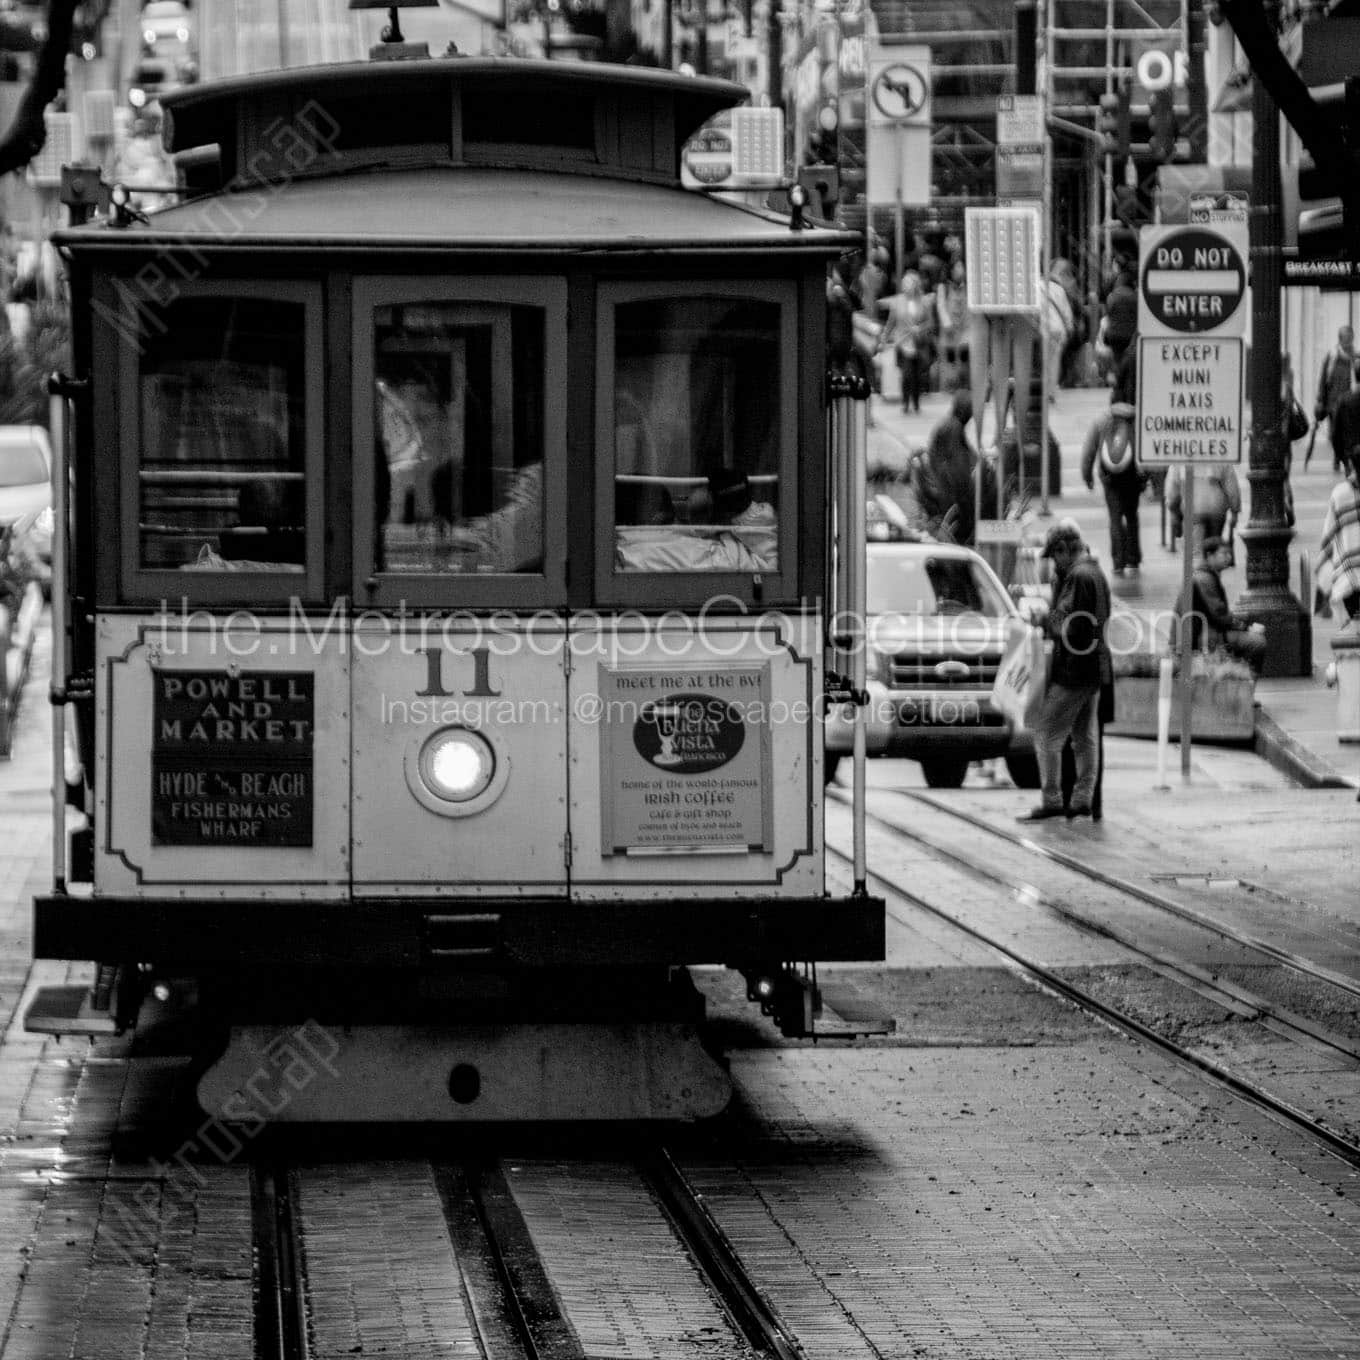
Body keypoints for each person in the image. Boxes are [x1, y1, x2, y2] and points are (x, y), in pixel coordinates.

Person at [1019, 522, 1112, 821]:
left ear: (1063, 551)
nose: (1052, 564)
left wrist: (1046, 618)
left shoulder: (1077, 577)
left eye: (1053, 556)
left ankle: (1053, 800)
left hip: (1074, 669)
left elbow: (1070, 624)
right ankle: (1083, 798)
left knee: (1046, 733)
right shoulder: (1095, 573)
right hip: (1095, 667)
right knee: (1084, 736)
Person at [1174, 534, 1267, 675]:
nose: (1228, 557)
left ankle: (1238, 679)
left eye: (1229, 553)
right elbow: (1219, 614)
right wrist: (1246, 628)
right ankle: (1245, 684)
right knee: (1257, 642)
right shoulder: (1204, 579)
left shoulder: (1205, 575)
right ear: (1210, 555)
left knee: (1251, 640)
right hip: (1201, 637)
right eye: (1223, 554)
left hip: (1202, 633)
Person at [1081, 400, 1144, 577]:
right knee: (1132, 516)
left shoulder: (1101, 420)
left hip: (1110, 479)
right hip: (1133, 477)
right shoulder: (1136, 418)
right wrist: (1152, 479)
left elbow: (1088, 451)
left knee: (1115, 518)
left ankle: (1118, 562)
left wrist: (1087, 477)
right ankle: (1133, 557)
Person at [912, 392, 979, 543]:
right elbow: (959, 464)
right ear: (963, 411)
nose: (972, 416)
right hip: (945, 486)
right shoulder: (952, 427)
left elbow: (967, 452)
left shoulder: (952, 424)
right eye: (971, 411)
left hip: (943, 481)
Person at [879, 270, 936, 413]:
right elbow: (890, 323)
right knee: (907, 374)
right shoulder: (897, 301)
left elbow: (931, 323)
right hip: (903, 343)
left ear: (915, 285)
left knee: (917, 375)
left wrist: (920, 328)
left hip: (919, 343)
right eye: (904, 283)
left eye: (908, 283)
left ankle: (916, 402)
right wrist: (883, 339)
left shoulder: (923, 302)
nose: (905, 286)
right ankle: (905, 402)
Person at [1164, 461, 1240, 558]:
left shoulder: (1180, 456)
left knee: (1197, 553)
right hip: (1217, 509)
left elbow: (1172, 489)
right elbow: (1232, 487)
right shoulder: (1220, 455)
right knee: (1214, 551)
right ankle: (1211, 567)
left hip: (1192, 509)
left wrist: (1173, 511)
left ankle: (1200, 569)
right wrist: (1235, 511)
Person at [1318, 457, 1360, 624]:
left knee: (1354, 626)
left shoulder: (1341, 494)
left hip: (1350, 575)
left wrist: (1324, 584)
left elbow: (1329, 534)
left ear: (1350, 465)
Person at [1313, 325, 1359, 472]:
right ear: (1340, 339)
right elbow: (1324, 379)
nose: (1349, 343)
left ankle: (1346, 460)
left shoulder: (1356, 356)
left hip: (1351, 401)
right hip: (1334, 402)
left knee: (1350, 432)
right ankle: (1338, 457)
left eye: (1351, 339)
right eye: (1346, 339)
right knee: (1335, 432)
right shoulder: (1332, 356)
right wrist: (1321, 399)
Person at [935, 260, 970, 391]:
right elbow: (941, 305)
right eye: (958, 267)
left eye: (962, 267)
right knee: (950, 357)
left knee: (965, 354)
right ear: (951, 270)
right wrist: (946, 323)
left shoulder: (968, 286)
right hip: (949, 329)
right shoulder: (943, 287)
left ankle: (964, 383)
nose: (961, 270)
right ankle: (951, 385)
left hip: (965, 327)